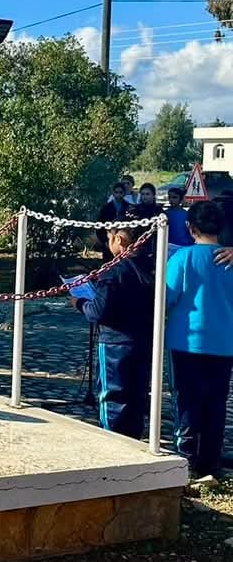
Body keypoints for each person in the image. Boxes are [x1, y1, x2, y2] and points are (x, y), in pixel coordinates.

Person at [164, 201, 233, 479]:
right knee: (216, 403)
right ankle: (211, 460)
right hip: (224, 343)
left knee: (186, 401)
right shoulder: (229, 259)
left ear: (190, 228)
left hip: (187, 342)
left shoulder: (183, 258)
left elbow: (167, 297)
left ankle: (187, 459)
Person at [70, 213, 154, 439]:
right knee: (137, 396)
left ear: (119, 239)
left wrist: (79, 303)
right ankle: (134, 440)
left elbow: (98, 311)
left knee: (112, 398)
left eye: (109, 238)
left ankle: (113, 441)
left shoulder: (114, 270)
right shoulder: (150, 266)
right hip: (143, 340)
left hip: (115, 342)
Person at [97, 182, 131, 261]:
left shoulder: (129, 207)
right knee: (109, 264)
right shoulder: (106, 208)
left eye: (121, 192)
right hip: (108, 241)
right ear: (113, 193)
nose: (118, 195)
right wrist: (105, 241)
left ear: (124, 193)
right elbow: (99, 226)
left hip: (124, 244)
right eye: (116, 192)